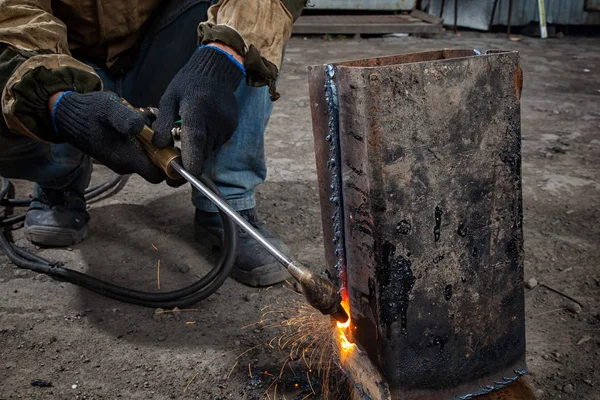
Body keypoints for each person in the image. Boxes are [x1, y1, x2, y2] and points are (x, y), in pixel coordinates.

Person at [0, 0, 307, 287]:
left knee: (251, 33)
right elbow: (13, 15)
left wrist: (222, 57)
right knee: (18, 90)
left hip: (168, 51)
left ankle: (227, 202)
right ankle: (60, 176)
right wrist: (59, 104)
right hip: (68, 61)